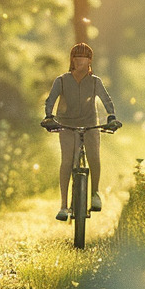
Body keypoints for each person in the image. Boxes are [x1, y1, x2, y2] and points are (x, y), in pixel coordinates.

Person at [42, 43, 121, 220]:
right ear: (72, 59)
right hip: (67, 125)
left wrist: (111, 116)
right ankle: (63, 206)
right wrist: (49, 116)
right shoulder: (61, 80)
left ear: (89, 60)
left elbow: (107, 100)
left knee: (94, 156)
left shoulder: (95, 81)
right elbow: (50, 100)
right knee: (67, 161)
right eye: (76, 57)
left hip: (90, 124)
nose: (79, 60)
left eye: (83, 57)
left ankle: (95, 193)